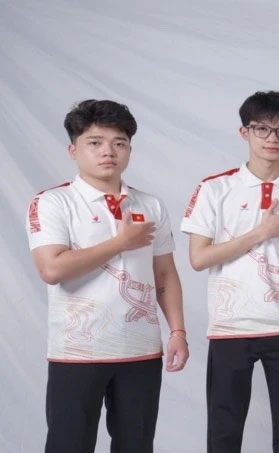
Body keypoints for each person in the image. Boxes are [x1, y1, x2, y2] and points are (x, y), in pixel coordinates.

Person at [26, 99, 189, 453]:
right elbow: (51, 269)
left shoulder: (150, 205)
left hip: (141, 352)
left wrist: (177, 331)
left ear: (129, 149)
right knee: (69, 445)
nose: (108, 152)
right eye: (95, 142)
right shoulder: (54, 202)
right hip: (78, 352)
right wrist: (120, 242)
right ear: (73, 150)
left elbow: (165, 275)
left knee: (137, 445)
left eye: (119, 143)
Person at [181, 91, 279, 452]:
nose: (272, 138)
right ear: (244, 132)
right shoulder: (215, 188)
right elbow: (199, 258)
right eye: (262, 129)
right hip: (232, 324)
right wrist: (262, 231)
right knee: (224, 429)